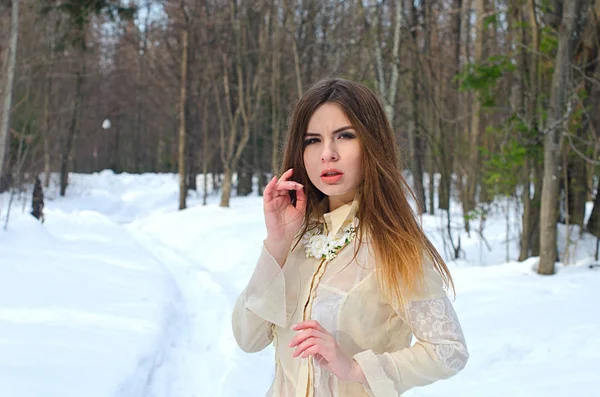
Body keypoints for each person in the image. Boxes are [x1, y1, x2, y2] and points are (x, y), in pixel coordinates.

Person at [232, 77, 469, 397]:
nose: (327, 153)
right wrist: (277, 243)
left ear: (372, 143)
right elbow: (249, 339)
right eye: (312, 140)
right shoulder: (297, 239)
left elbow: (448, 350)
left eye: (344, 136)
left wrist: (356, 368)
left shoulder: (393, 247)